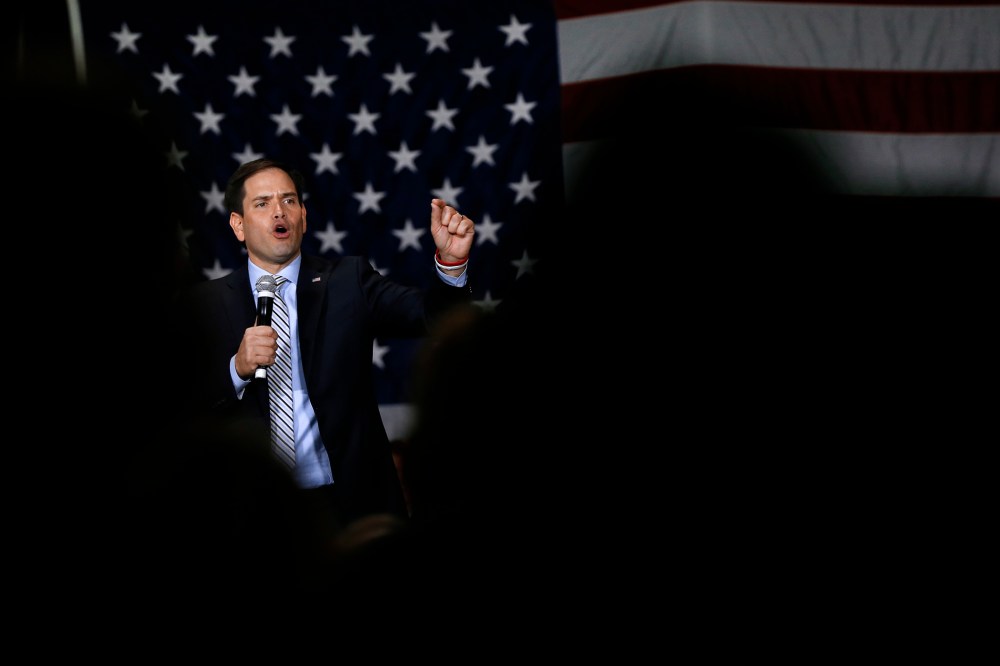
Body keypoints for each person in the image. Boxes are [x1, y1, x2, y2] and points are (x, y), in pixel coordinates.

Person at [180, 157, 474, 530]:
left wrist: (452, 263)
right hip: (254, 511)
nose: (278, 212)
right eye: (262, 203)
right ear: (238, 225)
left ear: (303, 214)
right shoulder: (205, 304)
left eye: (289, 201)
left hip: (351, 503)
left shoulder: (348, 281)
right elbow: (178, 408)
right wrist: (235, 370)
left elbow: (435, 317)